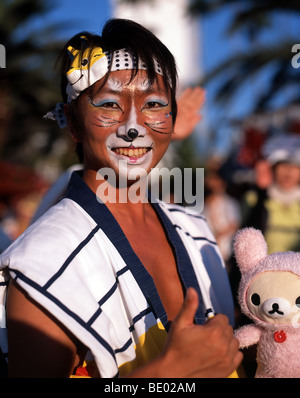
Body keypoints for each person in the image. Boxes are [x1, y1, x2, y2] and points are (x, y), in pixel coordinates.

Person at [0, 19, 242, 378]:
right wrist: (169, 374)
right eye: (110, 104)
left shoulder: (195, 229)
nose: (134, 126)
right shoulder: (44, 262)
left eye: (154, 103)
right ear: (73, 121)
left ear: (173, 119)